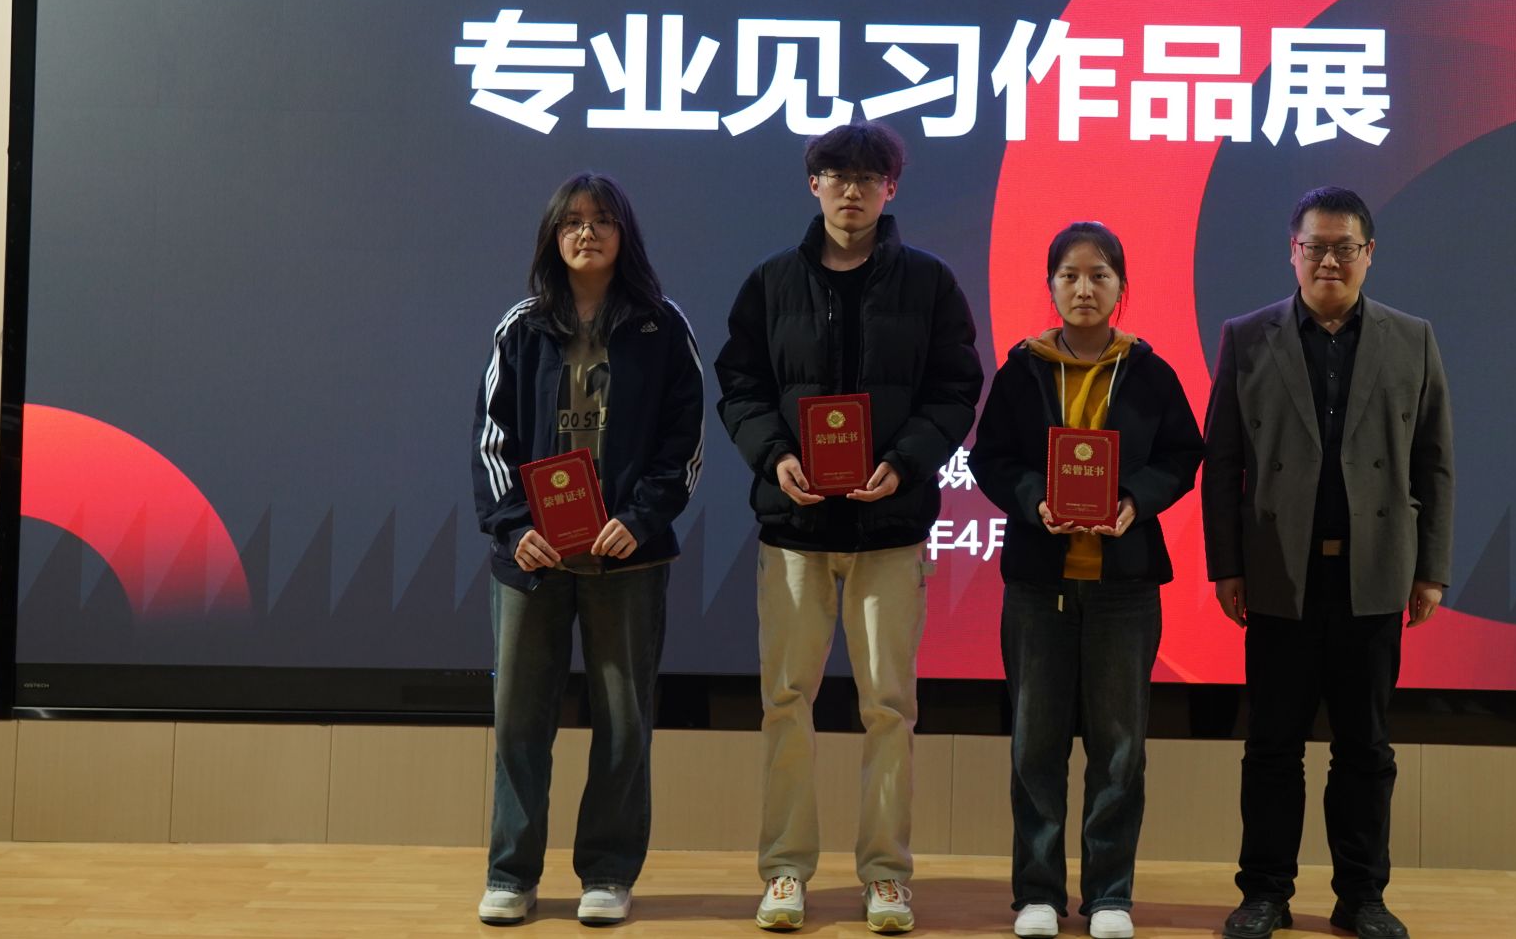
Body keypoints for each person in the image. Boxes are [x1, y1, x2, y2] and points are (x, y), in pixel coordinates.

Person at [716, 120, 982, 935]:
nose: (852, 190)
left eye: (869, 177)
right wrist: (773, 456)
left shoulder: (929, 283)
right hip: (794, 528)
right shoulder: (771, 282)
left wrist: (905, 461)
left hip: (889, 530)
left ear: (891, 188)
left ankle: (886, 875)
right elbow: (740, 384)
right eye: (837, 175)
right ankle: (785, 869)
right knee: (786, 701)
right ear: (814, 184)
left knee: (889, 707)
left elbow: (955, 388)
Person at [1202, 187, 1455, 939]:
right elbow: (1223, 463)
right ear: (1293, 252)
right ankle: (1265, 892)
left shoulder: (1412, 339)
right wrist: (1226, 565)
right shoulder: (1248, 336)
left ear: (1369, 254)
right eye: (1315, 247)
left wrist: (1430, 569)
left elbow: (1435, 463)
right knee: (1272, 745)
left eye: (1346, 248)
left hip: (1373, 574)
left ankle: (1362, 895)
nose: (1330, 261)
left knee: (1365, 748)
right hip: (1279, 573)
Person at [471, 173, 705, 928]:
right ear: (553, 236)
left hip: (626, 557)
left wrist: (640, 517)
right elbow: (493, 439)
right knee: (519, 721)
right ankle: (511, 873)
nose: (586, 232)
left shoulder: (662, 325)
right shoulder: (521, 326)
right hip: (532, 561)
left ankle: (607, 871)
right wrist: (515, 527)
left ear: (624, 234)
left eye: (602, 220)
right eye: (572, 221)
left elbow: (684, 441)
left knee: (624, 719)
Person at [971, 221, 1204, 939]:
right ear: (1050, 285)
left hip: (1123, 589)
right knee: (1035, 746)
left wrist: (1134, 500)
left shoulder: (1150, 372)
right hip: (1038, 589)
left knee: (1119, 749)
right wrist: (1031, 500)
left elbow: (1182, 455)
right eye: (1069, 275)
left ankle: (1109, 895)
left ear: (1121, 288)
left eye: (1099, 275)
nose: (1083, 288)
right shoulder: (1021, 371)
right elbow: (990, 459)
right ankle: (1038, 893)